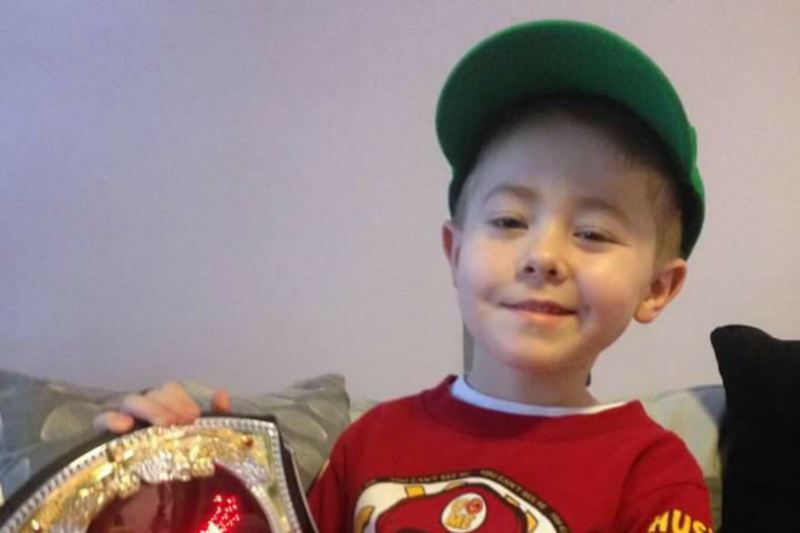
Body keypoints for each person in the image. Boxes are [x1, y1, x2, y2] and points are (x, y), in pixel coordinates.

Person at [97, 20, 714, 533]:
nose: (542, 255)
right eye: (508, 220)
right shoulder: (369, 442)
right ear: (455, 251)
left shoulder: (654, 474)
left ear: (657, 287)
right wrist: (173, 483)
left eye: (593, 232)